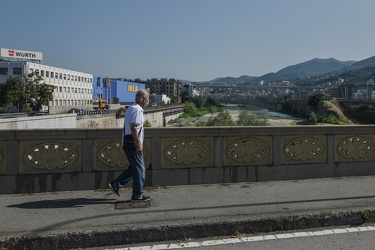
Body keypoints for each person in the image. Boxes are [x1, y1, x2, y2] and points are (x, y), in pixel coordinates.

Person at [108, 89, 150, 201]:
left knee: (134, 169)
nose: (148, 100)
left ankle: (116, 184)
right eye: (148, 98)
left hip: (128, 142)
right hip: (133, 144)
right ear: (144, 99)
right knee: (140, 170)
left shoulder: (132, 108)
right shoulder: (137, 110)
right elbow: (134, 128)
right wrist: (138, 144)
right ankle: (137, 194)